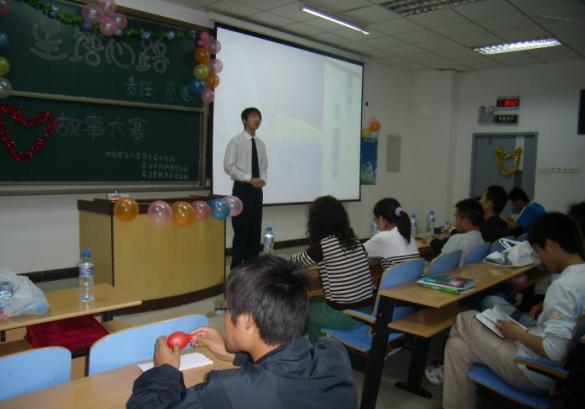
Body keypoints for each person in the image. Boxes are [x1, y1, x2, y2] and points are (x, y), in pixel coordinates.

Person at [127, 255, 358, 409]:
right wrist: (235, 355)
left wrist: (164, 371)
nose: (225, 317)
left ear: (247, 320)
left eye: (228, 309)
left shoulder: (229, 391)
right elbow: (287, 371)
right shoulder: (334, 354)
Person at [442, 212, 585, 409]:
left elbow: (555, 351)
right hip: (544, 364)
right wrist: (543, 315)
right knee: (457, 347)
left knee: (464, 318)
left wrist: (518, 333)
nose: (540, 259)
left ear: (551, 246)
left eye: (539, 251)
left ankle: (446, 378)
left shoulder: (563, 287)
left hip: (533, 370)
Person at [290, 195, 373, 342]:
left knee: (301, 308)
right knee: (313, 300)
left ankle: (317, 350)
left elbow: (296, 261)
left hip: (344, 315)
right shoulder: (355, 242)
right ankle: (323, 345)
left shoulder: (325, 246)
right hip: (367, 312)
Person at [224, 107, 268, 269]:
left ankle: (252, 267)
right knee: (241, 229)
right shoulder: (236, 141)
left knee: (255, 229)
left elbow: (263, 167)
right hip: (242, 190)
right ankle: (236, 267)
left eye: (259, 117)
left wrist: (263, 179)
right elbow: (229, 167)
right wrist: (249, 179)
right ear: (244, 120)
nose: (257, 120)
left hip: (257, 191)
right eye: (253, 116)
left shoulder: (261, 144)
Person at [364, 198, 420, 271]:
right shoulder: (409, 236)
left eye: (376, 218)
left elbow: (358, 254)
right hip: (412, 278)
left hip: (396, 278)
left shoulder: (382, 237)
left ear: (381, 218)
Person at [438, 198, 485, 266]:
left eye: (456, 218)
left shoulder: (456, 239)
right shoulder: (481, 239)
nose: (455, 222)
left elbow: (438, 264)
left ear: (466, 222)